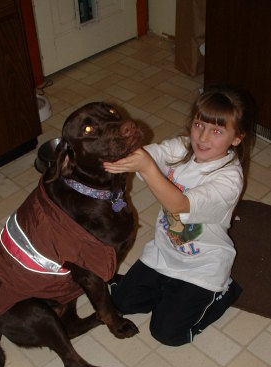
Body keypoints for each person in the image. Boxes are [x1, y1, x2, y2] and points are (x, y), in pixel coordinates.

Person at [103, 84, 255, 346]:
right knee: (120, 302)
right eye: (199, 124)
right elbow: (153, 154)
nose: (203, 138)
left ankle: (224, 292)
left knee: (167, 333)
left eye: (217, 131)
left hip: (202, 266)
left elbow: (179, 204)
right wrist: (123, 154)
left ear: (237, 138)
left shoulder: (230, 178)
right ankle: (170, 291)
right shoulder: (183, 147)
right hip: (165, 251)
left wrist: (147, 167)